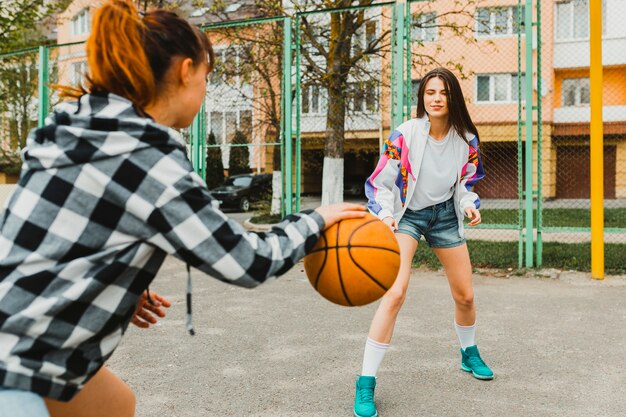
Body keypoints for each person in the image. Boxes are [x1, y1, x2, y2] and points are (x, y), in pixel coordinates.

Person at [0, 1, 366, 416]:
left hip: (18, 334)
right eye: (208, 76)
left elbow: (53, 230)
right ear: (185, 70)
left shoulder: (83, 126)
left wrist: (113, 278)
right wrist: (316, 220)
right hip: (16, 360)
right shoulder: (145, 156)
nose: (206, 88)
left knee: (116, 404)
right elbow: (246, 261)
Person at [354, 67, 492, 417]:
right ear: (422, 97)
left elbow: (465, 183)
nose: (435, 98)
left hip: (445, 214)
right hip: (408, 215)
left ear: (453, 98)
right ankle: (366, 382)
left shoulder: (467, 140)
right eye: (429, 92)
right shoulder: (405, 134)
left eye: (442, 92)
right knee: (395, 293)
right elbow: (380, 183)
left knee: (466, 295)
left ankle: (469, 353)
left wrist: (467, 205)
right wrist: (386, 216)